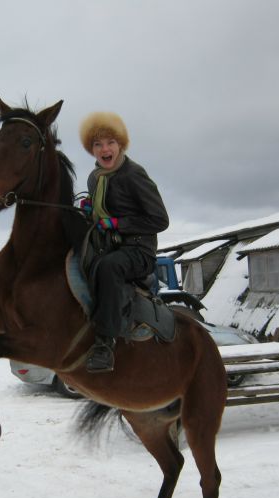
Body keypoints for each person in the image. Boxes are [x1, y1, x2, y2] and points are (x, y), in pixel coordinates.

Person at [78, 111, 169, 372]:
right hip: (109, 246)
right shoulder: (95, 178)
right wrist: (89, 209)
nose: (105, 149)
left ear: (120, 145)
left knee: (108, 267)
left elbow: (160, 220)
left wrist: (119, 224)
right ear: (91, 149)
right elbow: (100, 211)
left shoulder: (134, 175)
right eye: (98, 144)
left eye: (110, 143)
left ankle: (105, 344)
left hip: (138, 251)